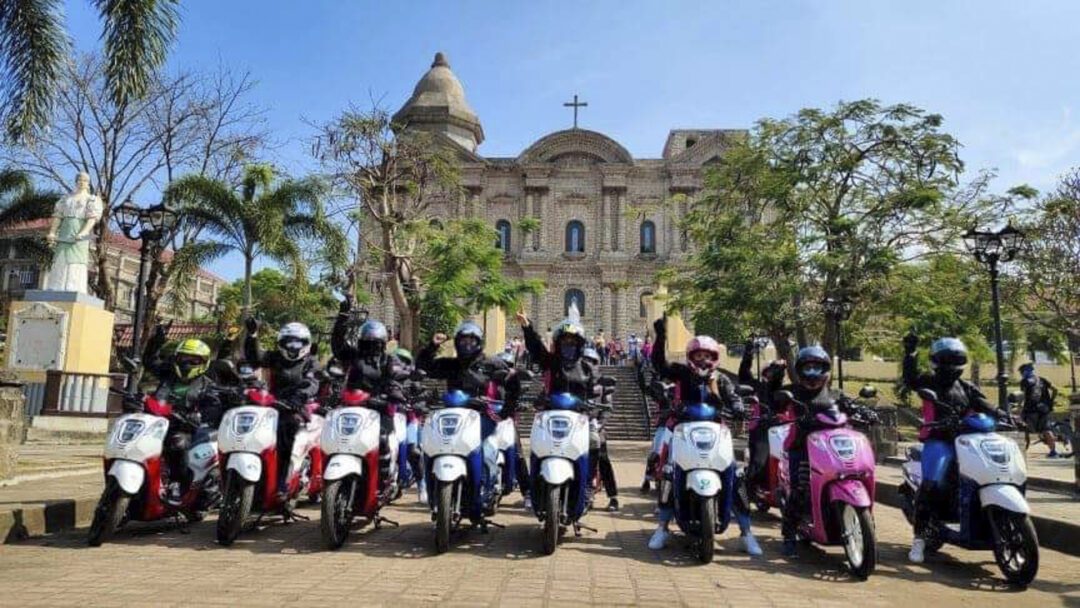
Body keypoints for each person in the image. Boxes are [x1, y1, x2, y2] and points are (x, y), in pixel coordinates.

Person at [647, 316, 762, 556]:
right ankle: (663, 527)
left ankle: (746, 533)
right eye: (699, 355)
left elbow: (733, 397)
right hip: (684, 429)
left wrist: (739, 408)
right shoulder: (681, 373)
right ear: (691, 357)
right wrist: (661, 337)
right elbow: (659, 365)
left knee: (735, 474)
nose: (704, 360)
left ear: (715, 358)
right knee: (669, 472)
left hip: (715, 432)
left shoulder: (720, 379)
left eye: (708, 356)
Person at [901, 334, 999, 563]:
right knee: (932, 483)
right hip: (939, 440)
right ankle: (919, 540)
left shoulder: (966, 387)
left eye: (955, 360)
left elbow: (985, 404)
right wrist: (910, 353)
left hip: (967, 441)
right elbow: (910, 380)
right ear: (936, 361)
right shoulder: (928, 381)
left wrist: (1006, 415)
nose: (950, 365)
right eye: (945, 360)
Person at [417, 320, 514, 508]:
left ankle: (486, 490)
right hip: (454, 417)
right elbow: (425, 366)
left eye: (472, 341)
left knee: (485, 450)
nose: (467, 345)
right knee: (431, 446)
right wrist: (432, 346)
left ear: (479, 343)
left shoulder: (491, 363)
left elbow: (511, 382)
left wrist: (507, 408)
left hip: (482, 416)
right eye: (463, 341)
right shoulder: (451, 364)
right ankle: (431, 489)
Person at [775, 345, 855, 558]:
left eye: (817, 367)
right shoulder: (793, 392)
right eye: (808, 367)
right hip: (800, 447)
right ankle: (789, 535)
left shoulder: (836, 394)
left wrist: (864, 410)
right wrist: (775, 377)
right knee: (800, 488)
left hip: (831, 449)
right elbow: (775, 400)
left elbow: (851, 406)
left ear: (826, 369)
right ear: (800, 370)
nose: (812, 373)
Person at [330, 300, 408, 493]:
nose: (371, 346)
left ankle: (382, 483)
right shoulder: (354, 356)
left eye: (375, 343)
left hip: (379, 410)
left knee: (382, 440)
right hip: (353, 410)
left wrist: (392, 394)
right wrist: (343, 317)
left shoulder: (389, 360)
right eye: (367, 342)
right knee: (335, 437)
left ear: (382, 343)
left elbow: (395, 379)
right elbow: (338, 345)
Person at [135, 328, 220, 506]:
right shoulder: (168, 373)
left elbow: (213, 409)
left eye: (193, 360)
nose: (187, 364)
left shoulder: (207, 385)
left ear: (203, 363)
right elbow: (150, 361)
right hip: (155, 423)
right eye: (183, 358)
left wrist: (195, 418)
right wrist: (156, 340)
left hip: (184, 428)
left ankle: (176, 484)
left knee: (177, 444)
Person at [245, 319, 320, 501]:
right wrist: (252, 335)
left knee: (285, 434)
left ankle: (282, 483)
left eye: (297, 342)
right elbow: (255, 358)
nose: (292, 346)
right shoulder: (275, 357)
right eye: (288, 342)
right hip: (272, 405)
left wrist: (298, 398)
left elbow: (312, 383)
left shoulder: (310, 361)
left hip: (296, 407)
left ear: (305, 344)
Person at [738, 339, 789, 492]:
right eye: (769, 372)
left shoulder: (786, 391)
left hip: (781, 431)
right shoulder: (757, 386)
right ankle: (747, 490)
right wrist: (748, 354)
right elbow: (744, 374)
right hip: (760, 430)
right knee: (760, 462)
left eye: (775, 372)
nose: (771, 375)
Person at [583, 346, 619, 511]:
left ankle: (613, 497)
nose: (588, 365)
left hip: (595, 426)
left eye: (591, 362)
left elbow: (607, 408)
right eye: (585, 361)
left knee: (602, 458)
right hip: (576, 426)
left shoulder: (602, 385)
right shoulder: (575, 381)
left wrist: (599, 424)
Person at [1019, 363, 1060, 457]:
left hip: (1031, 410)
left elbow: (1022, 396)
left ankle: (1022, 450)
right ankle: (1053, 452)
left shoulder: (1025, 381)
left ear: (1025, 371)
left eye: (1021, 372)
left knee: (1022, 427)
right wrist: (1051, 401)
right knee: (1046, 429)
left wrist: (1019, 406)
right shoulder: (1042, 379)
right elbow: (1055, 389)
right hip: (1044, 409)